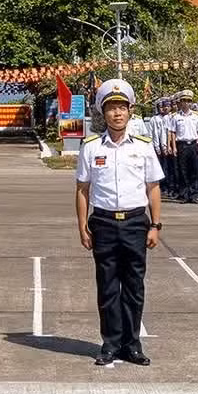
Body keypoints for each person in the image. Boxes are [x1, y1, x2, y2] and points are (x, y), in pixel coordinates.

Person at [75, 77, 162, 368]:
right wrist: (82, 227)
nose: (117, 113)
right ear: (103, 112)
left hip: (137, 222)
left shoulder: (144, 146)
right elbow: (83, 190)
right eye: (111, 108)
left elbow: (153, 187)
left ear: (130, 111)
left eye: (122, 107)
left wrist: (156, 225)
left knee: (134, 287)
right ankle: (110, 344)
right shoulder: (90, 148)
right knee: (108, 287)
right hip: (104, 223)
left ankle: (132, 345)